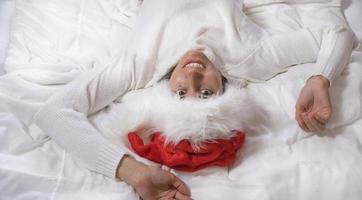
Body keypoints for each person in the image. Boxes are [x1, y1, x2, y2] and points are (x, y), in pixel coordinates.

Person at [33, 0, 355, 199]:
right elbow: (337, 33)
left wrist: (134, 172)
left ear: (165, 90)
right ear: (225, 92)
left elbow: (54, 112)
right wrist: (320, 77)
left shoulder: (141, 63)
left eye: (180, 93)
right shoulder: (248, 58)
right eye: (205, 94)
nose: (193, 77)